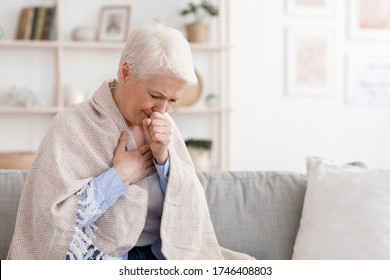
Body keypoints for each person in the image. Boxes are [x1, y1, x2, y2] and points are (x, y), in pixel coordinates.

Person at [7, 22, 254, 260]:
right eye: (156, 95)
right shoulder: (72, 124)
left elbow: (189, 208)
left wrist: (163, 160)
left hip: (162, 256)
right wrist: (119, 177)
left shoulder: (167, 127)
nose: (163, 109)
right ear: (126, 72)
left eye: (173, 100)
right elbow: (50, 222)